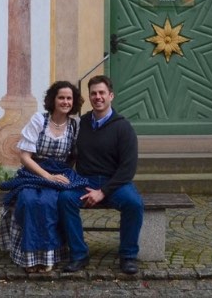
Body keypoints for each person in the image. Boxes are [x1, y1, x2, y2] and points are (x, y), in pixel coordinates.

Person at [0, 80, 89, 272]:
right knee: (28, 200)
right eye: (61, 98)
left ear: (74, 102)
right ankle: (29, 259)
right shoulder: (39, 120)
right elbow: (24, 157)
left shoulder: (75, 125)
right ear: (53, 100)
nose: (65, 102)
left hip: (61, 174)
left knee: (50, 203)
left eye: (69, 98)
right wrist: (47, 177)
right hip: (34, 171)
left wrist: (61, 176)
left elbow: (75, 156)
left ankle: (47, 258)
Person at [58, 74, 144, 275]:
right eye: (94, 93)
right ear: (89, 97)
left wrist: (102, 192)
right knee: (64, 199)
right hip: (84, 181)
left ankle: (128, 256)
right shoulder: (81, 124)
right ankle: (79, 255)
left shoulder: (123, 127)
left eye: (102, 93)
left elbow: (128, 169)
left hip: (115, 183)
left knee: (134, 203)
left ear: (111, 95)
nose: (98, 97)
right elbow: (70, 154)